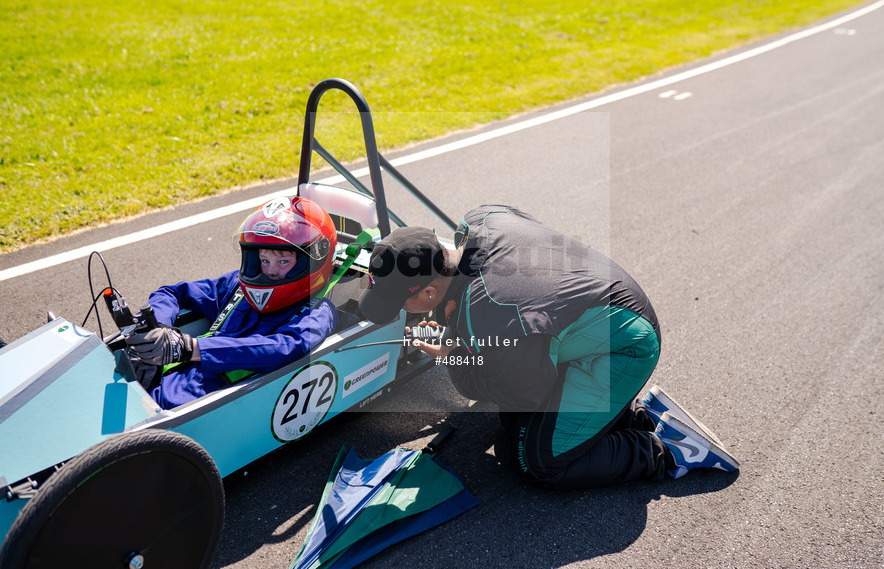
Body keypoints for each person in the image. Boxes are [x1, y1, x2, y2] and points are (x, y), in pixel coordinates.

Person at [359, 205, 738, 489]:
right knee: (514, 424)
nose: (401, 313)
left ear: (427, 292)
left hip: (625, 345)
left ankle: (668, 451)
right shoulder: (481, 218)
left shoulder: (485, 313)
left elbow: (525, 392)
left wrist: (453, 354)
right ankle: (635, 415)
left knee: (536, 460)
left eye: (400, 304)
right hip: (608, 302)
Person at [126, 196, 339, 409]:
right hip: (167, 380)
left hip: (200, 405)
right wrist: (158, 332)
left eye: (283, 261)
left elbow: (282, 347)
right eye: (264, 261)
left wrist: (191, 347)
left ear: (312, 261)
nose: (271, 271)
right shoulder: (238, 284)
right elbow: (171, 293)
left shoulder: (318, 311)